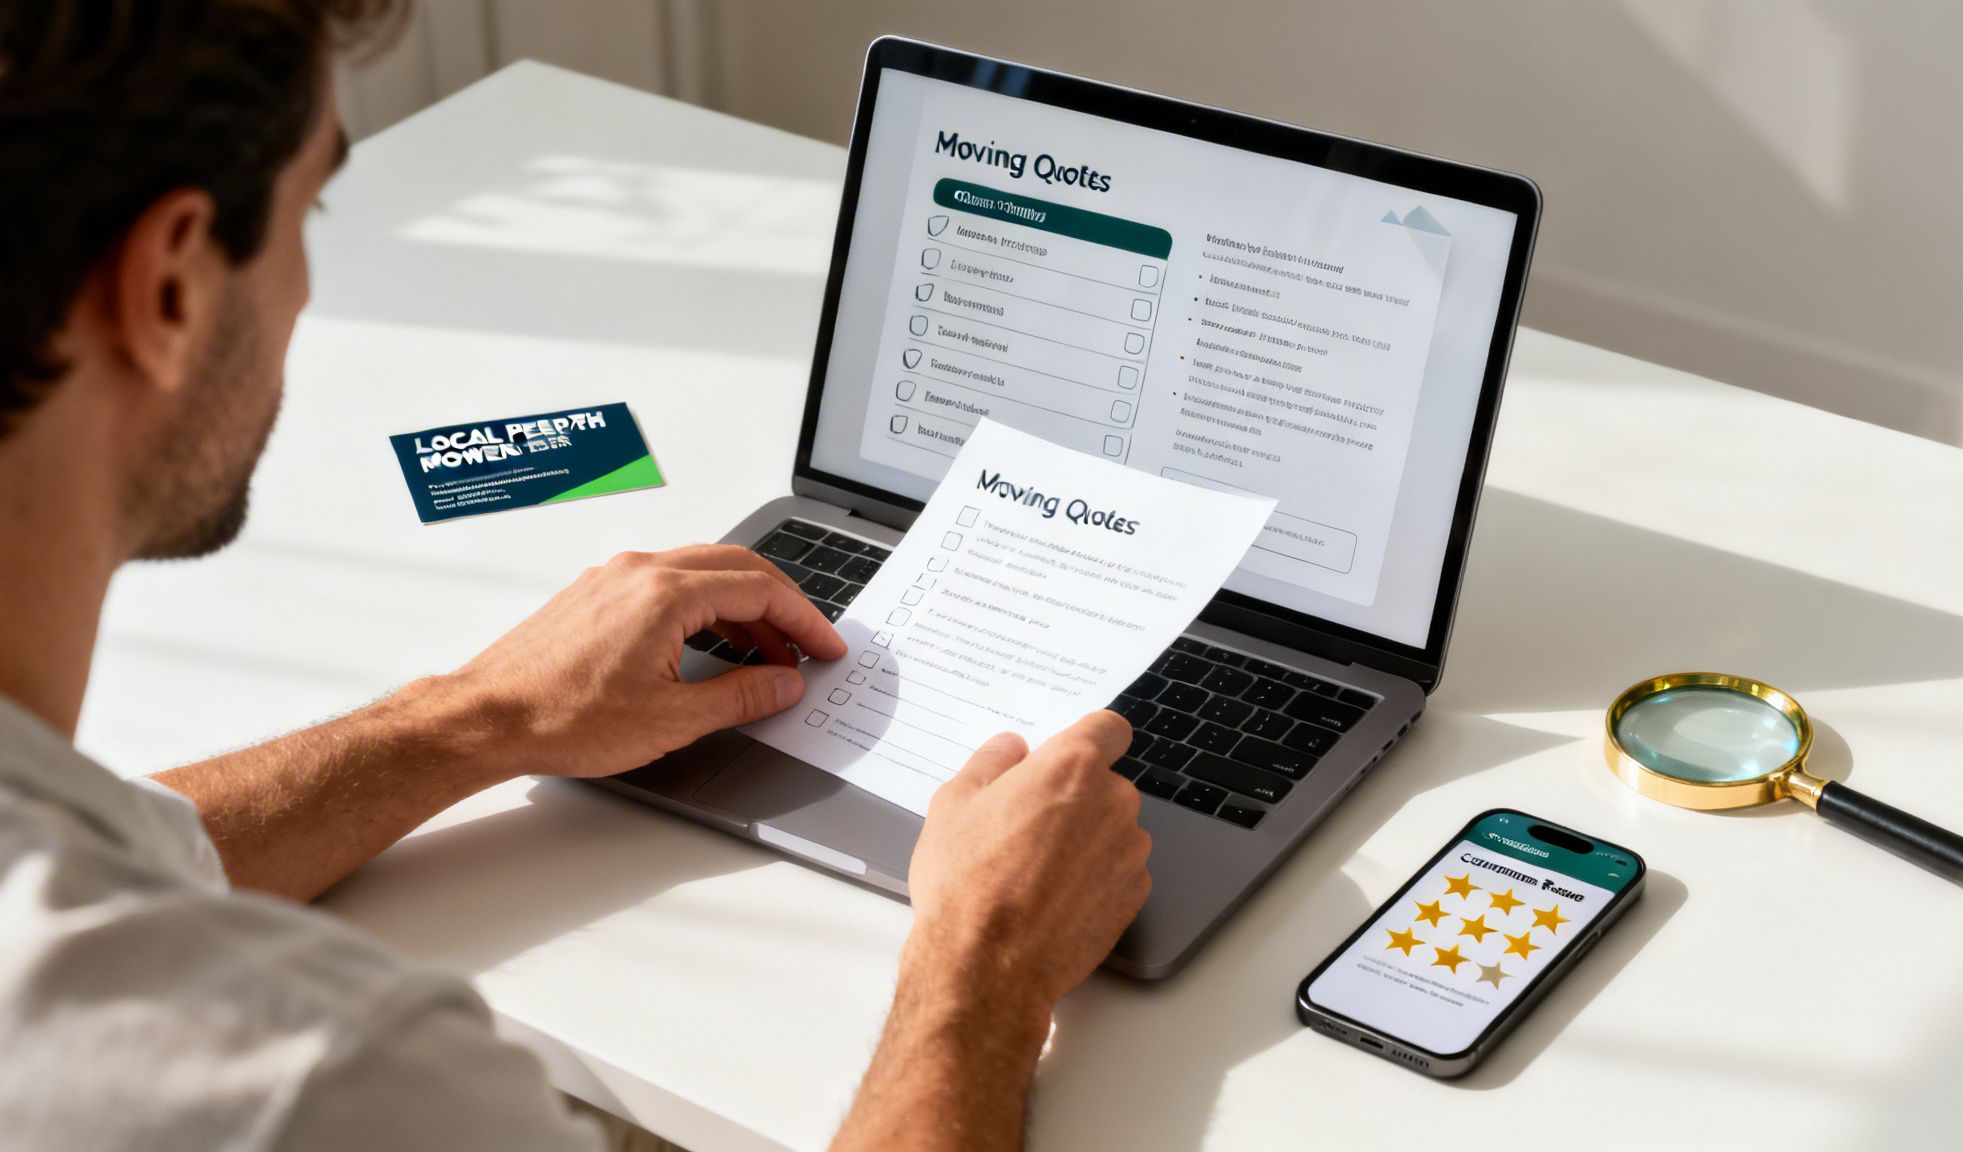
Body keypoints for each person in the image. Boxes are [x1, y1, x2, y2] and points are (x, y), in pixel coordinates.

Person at [0, 3, 1151, 1150]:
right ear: (168, 289)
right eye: (317, 207)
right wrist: (985, 966)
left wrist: (471, 717)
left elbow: (101, 853)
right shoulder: (321, 1080)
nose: (307, 285)